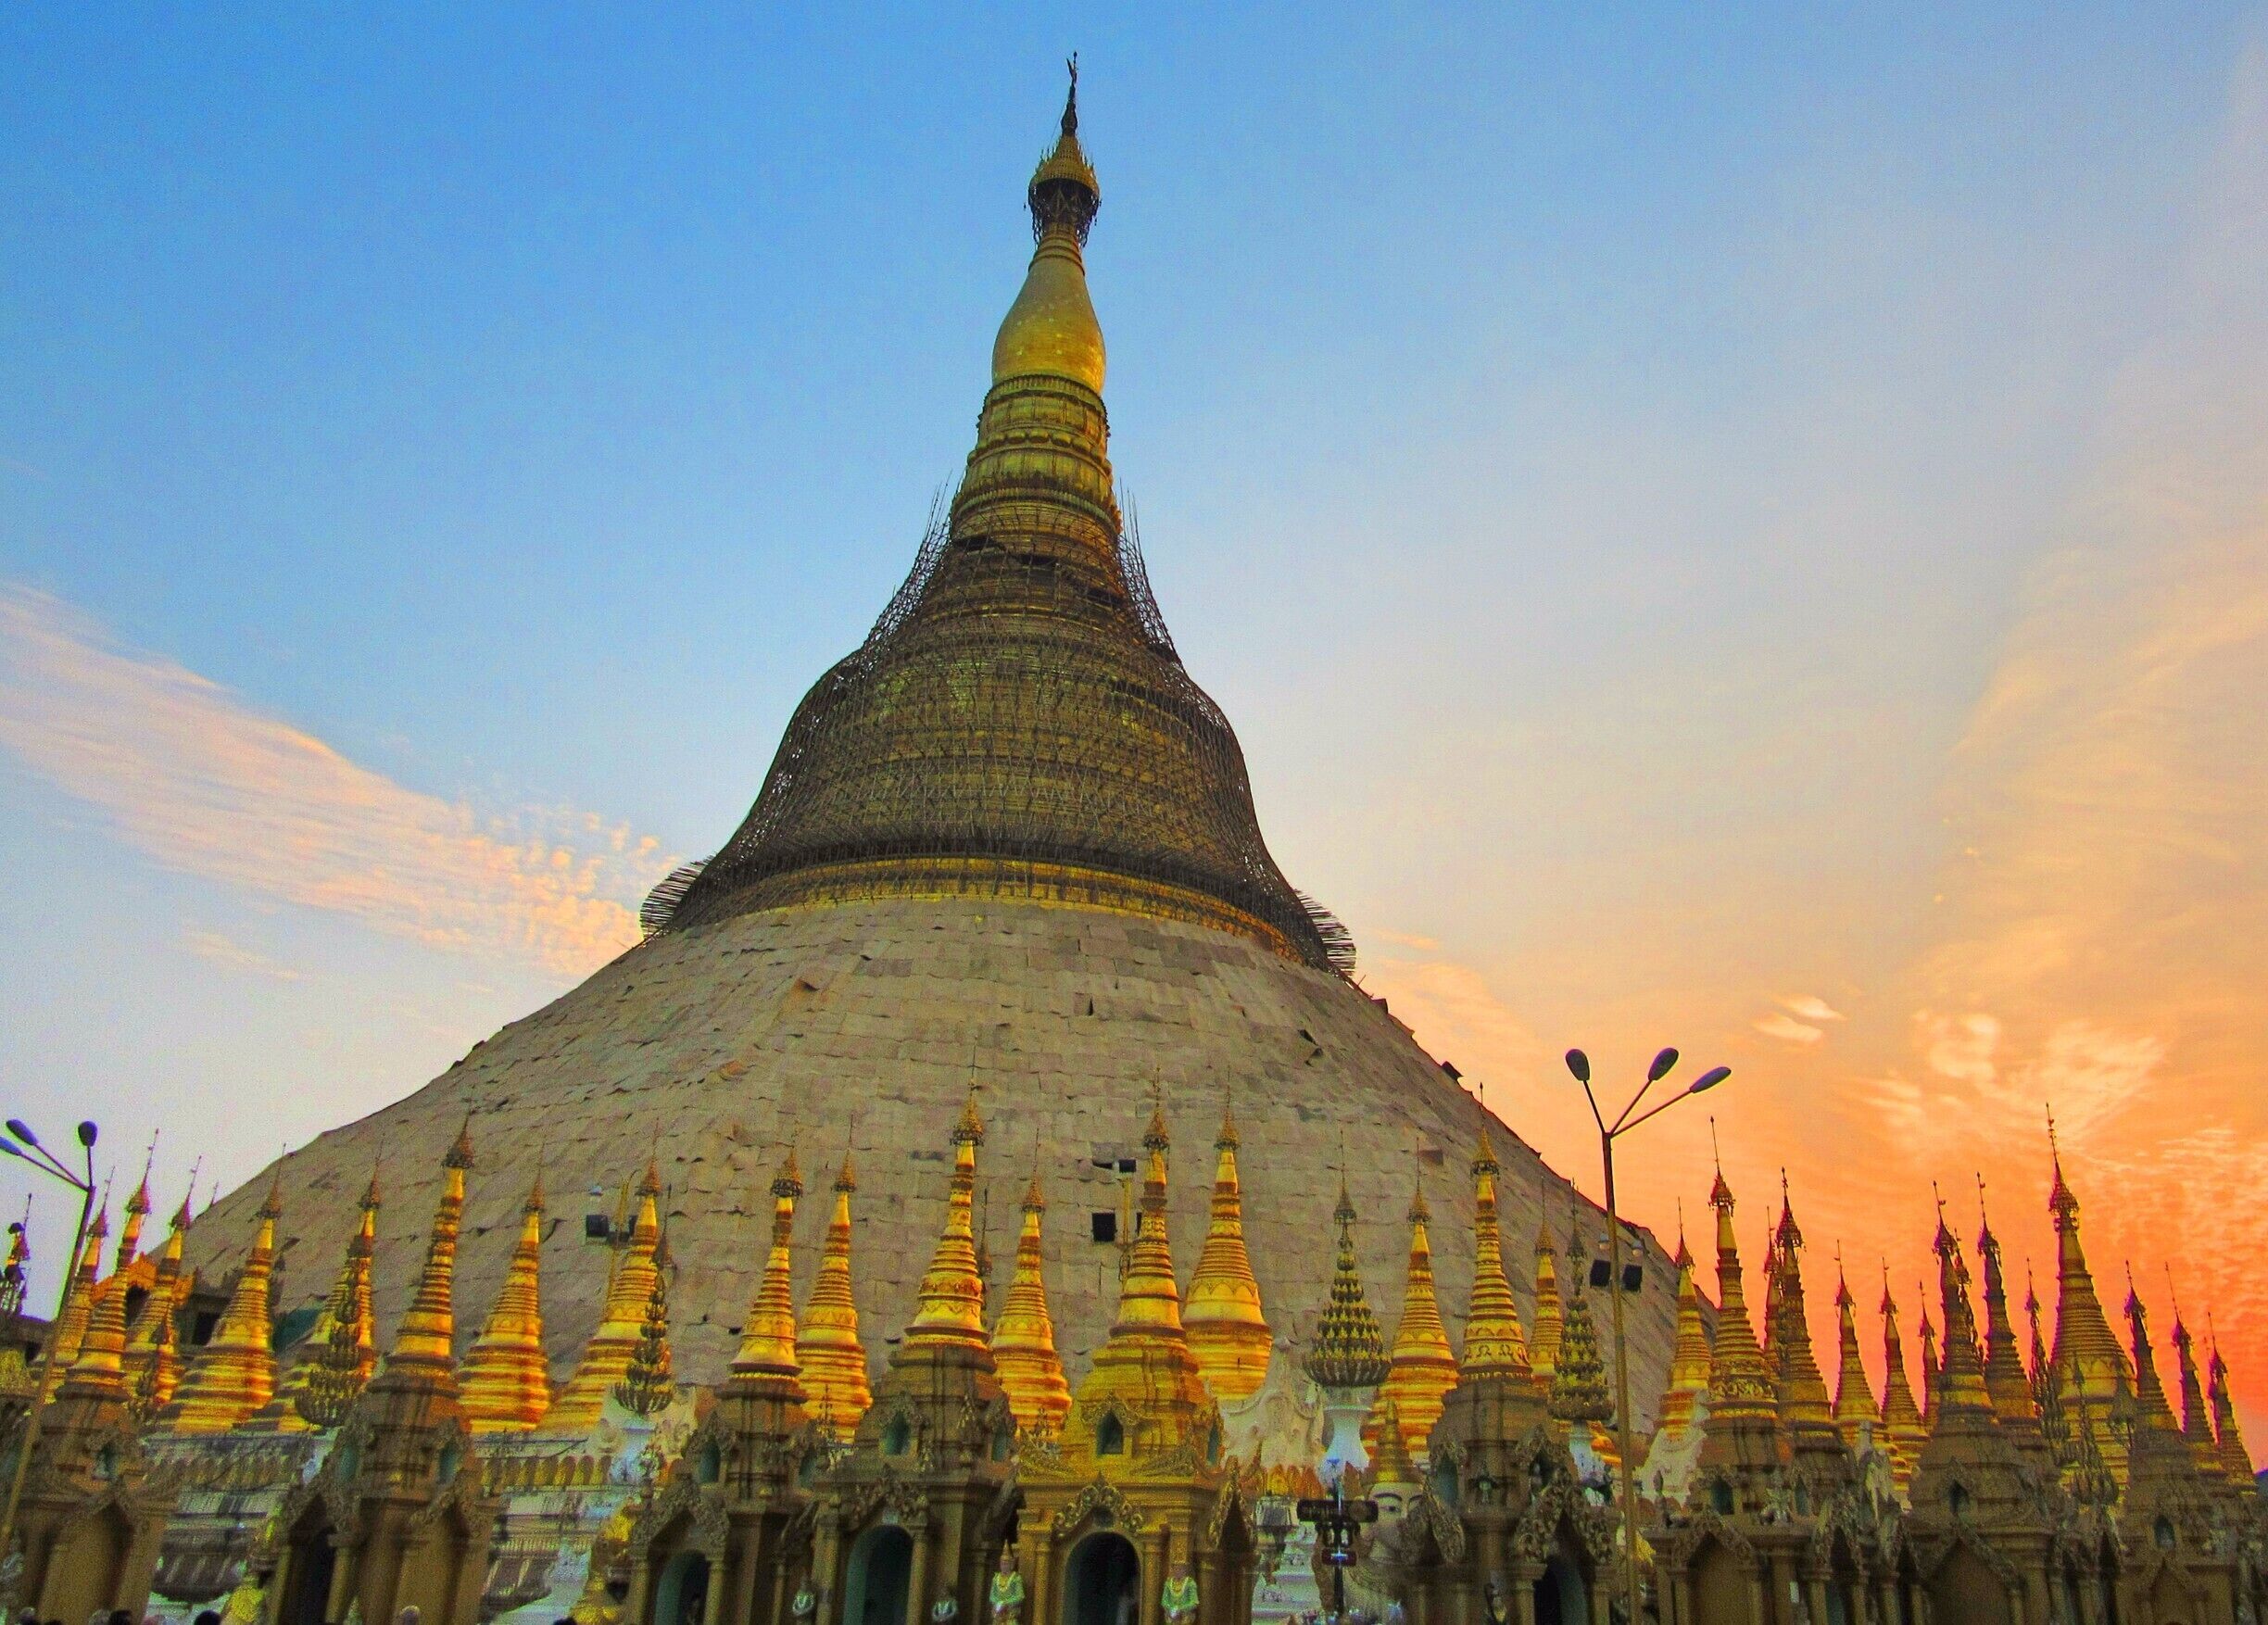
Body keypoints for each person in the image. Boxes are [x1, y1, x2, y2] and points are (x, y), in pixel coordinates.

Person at [987, 1555, 1025, 1625]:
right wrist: (998, 1603)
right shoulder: (996, 1578)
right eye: (1002, 1563)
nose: (1004, 1566)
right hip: (998, 1614)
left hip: (1010, 1614)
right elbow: (992, 1596)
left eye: (1006, 1564)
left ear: (1011, 1565)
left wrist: (1006, 1603)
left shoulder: (1016, 1578)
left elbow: (1020, 1596)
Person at [1160, 1561, 1198, 1625]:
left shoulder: (1190, 1583)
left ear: (1185, 1571)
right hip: (1171, 1615)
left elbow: (1194, 1602)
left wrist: (1181, 1610)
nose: (1177, 1571)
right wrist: (1171, 1610)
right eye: (1175, 1569)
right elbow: (1164, 1600)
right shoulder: (1168, 1583)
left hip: (1185, 1616)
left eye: (1180, 1569)